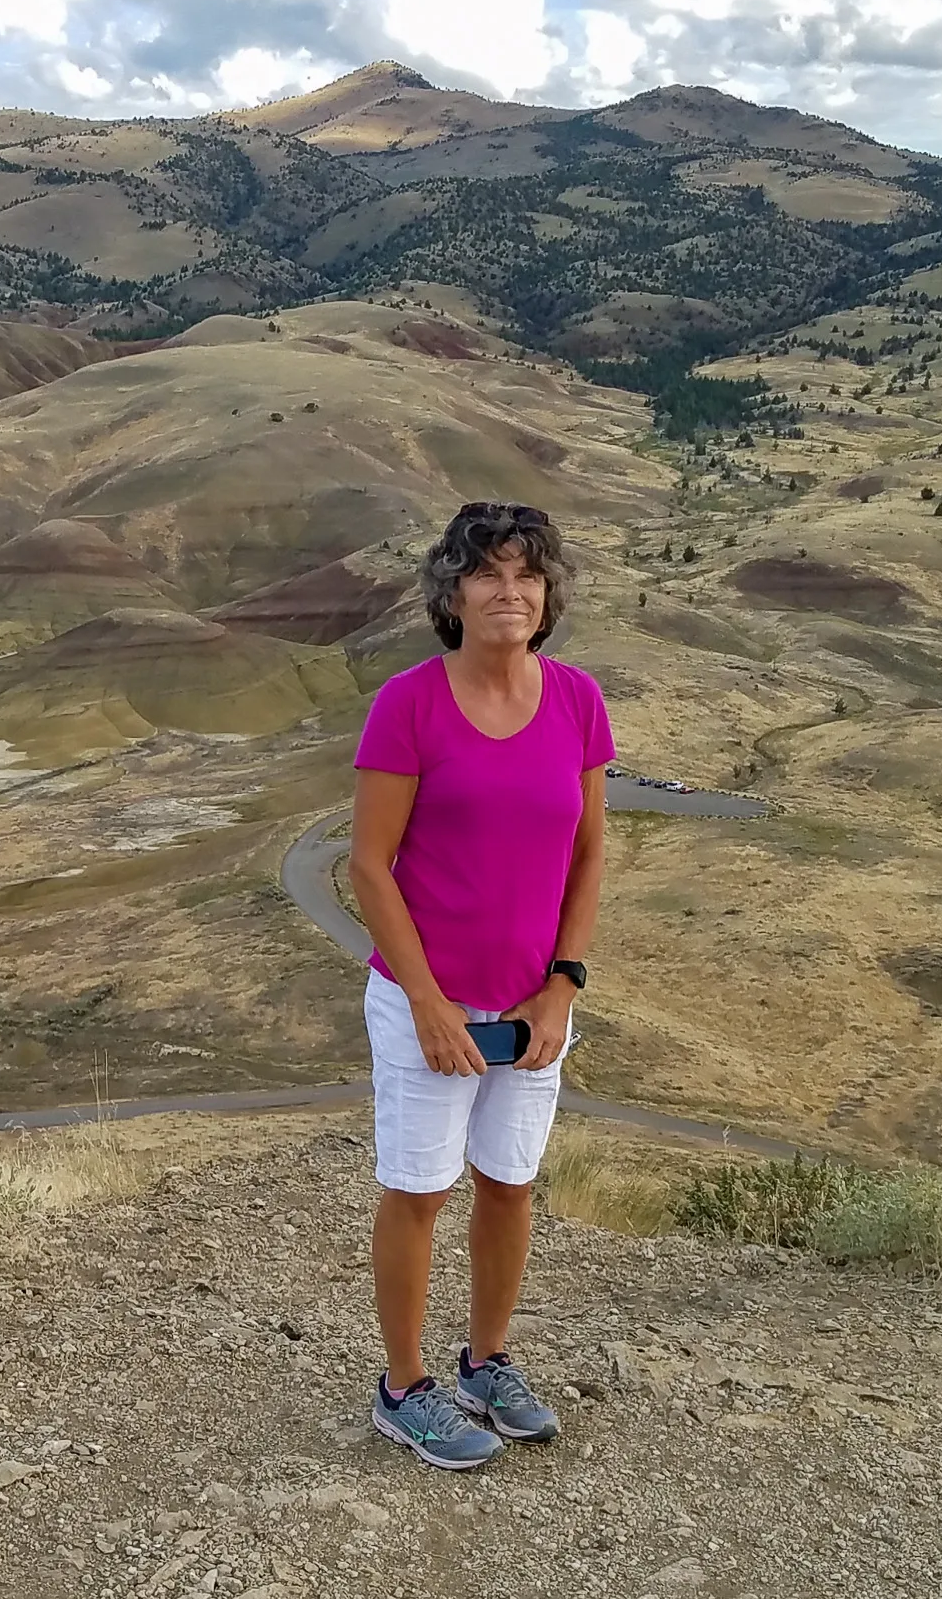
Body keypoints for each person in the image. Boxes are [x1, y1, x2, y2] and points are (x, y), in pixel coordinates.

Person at [347, 500, 610, 1470]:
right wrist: (426, 1001)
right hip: (429, 1004)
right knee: (419, 1190)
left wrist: (562, 986)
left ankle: (486, 1362)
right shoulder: (409, 704)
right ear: (451, 594)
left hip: (532, 1008)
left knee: (510, 1183)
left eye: (527, 574)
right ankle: (403, 1387)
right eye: (488, 573)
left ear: (547, 595)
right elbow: (369, 865)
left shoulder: (578, 701)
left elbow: (589, 854)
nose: (510, 590)